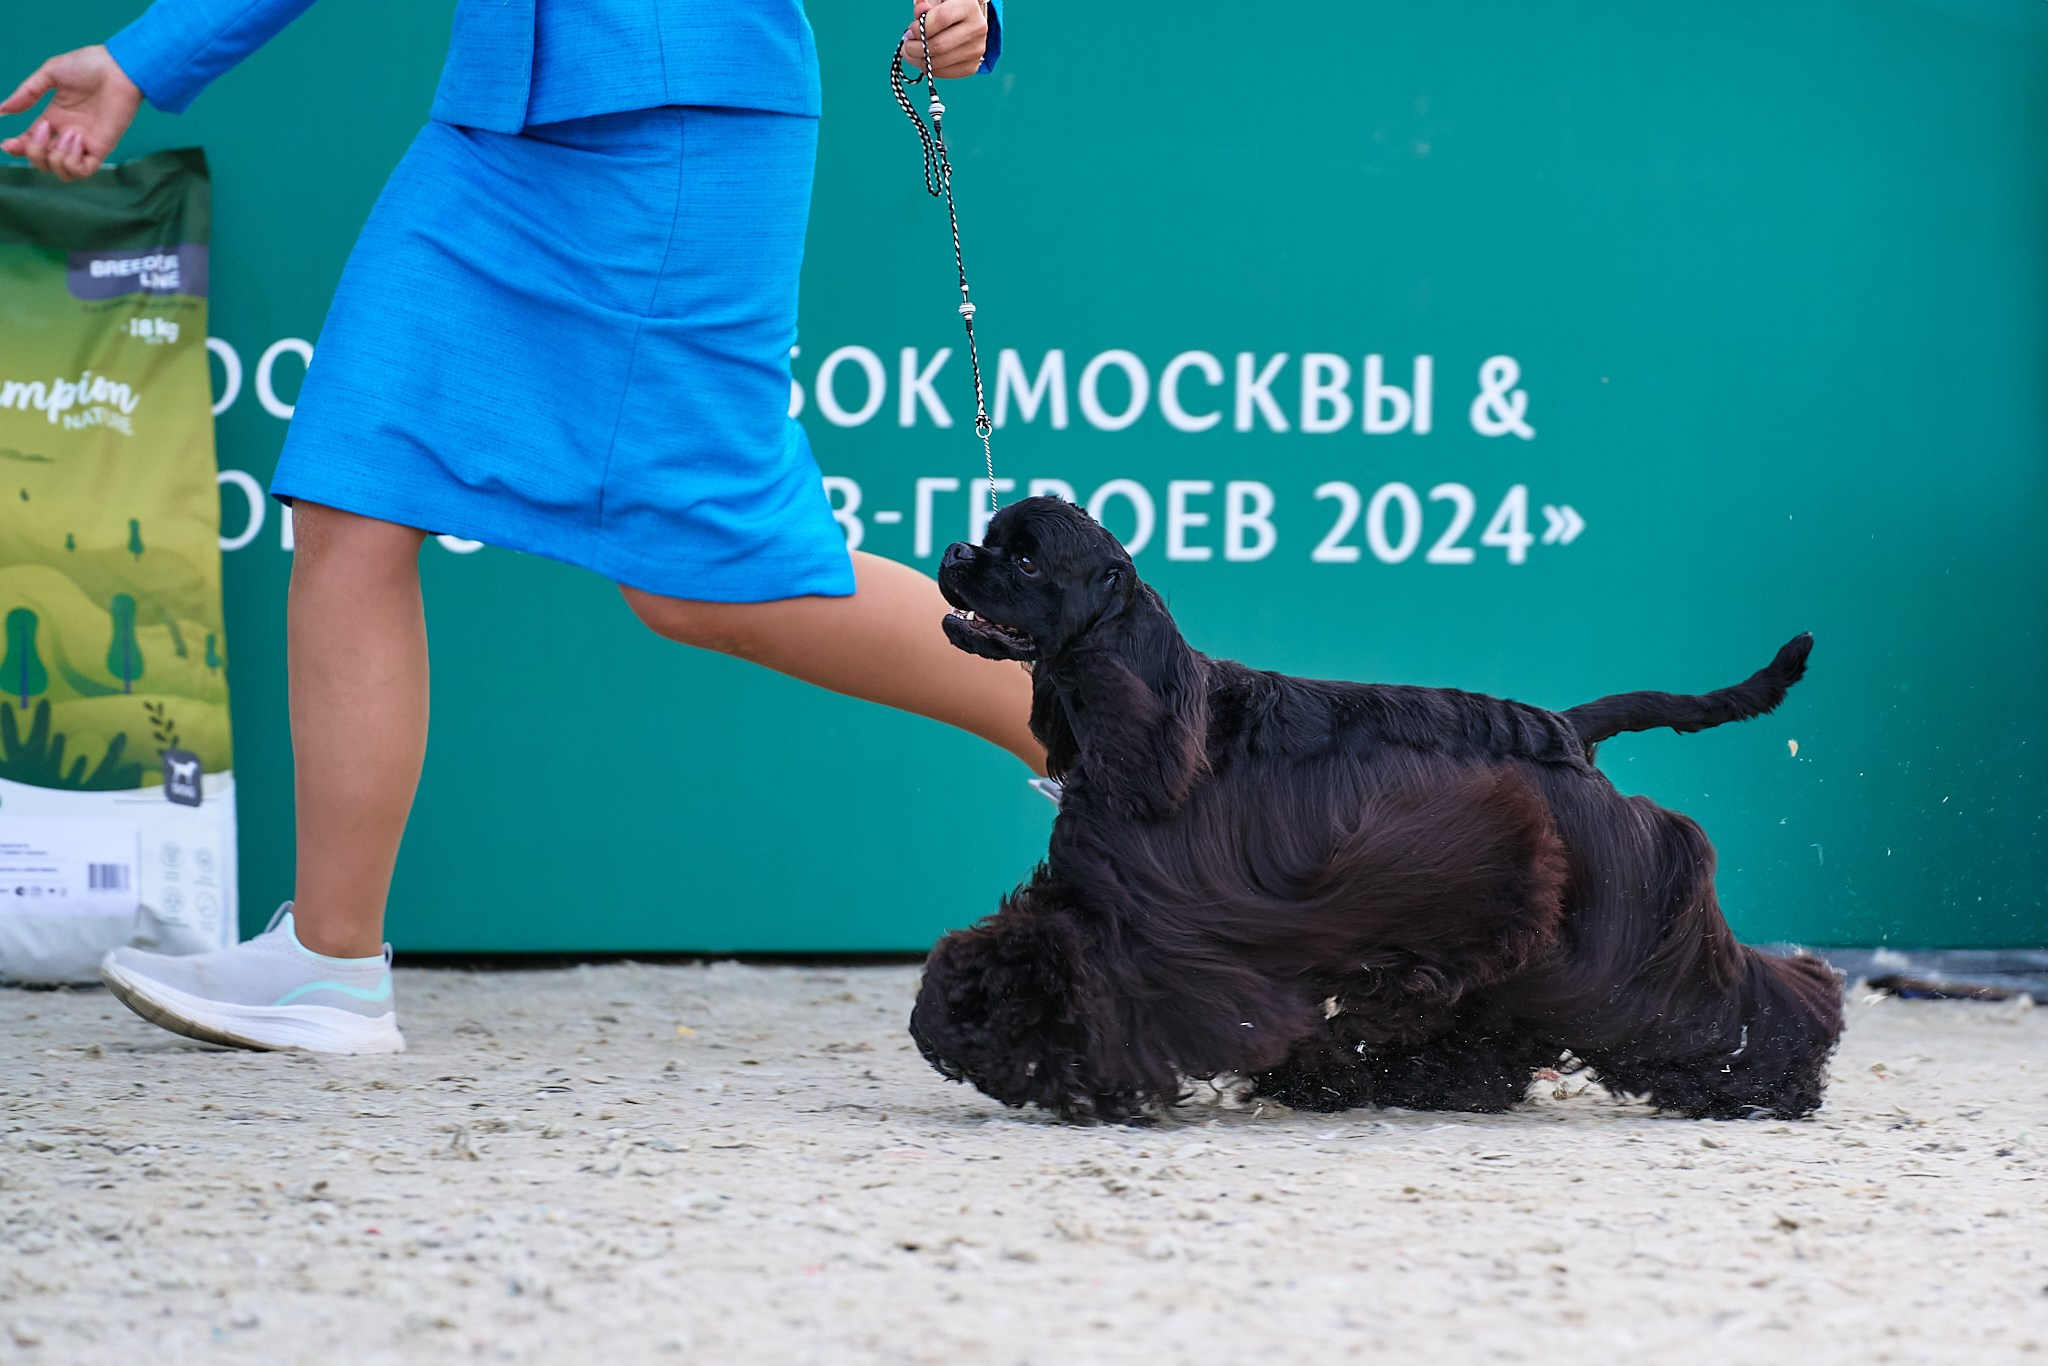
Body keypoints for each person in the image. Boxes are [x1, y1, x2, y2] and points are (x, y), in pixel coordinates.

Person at [1, 0, 1039, 1056]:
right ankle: (330, 960)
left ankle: (1116, 738)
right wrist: (144, 58)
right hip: (491, 120)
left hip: (683, 109)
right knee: (353, 488)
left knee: (711, 579)